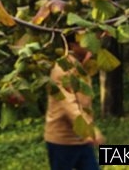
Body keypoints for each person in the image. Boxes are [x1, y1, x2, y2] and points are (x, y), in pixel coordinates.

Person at [44, 38, 104, 170]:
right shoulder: (61, 69)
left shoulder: (82, 66)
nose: (88, 44)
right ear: (72, 45)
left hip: (82, 139)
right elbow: (70, 107)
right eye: (83, 40)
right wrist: (89, 131)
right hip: (62, 140)